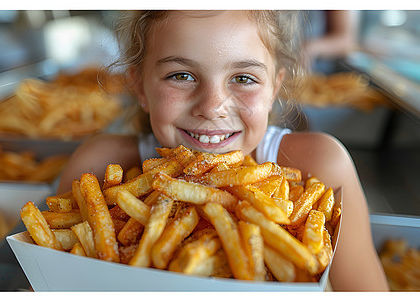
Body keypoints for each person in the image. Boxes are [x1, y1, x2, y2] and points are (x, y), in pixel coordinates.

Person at [57, 10, 389, 291]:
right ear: (139, 86)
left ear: (274, 88)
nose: (212, 106)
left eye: (243, 78)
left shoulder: (321, 165)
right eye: (181, 75)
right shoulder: (99, 170)